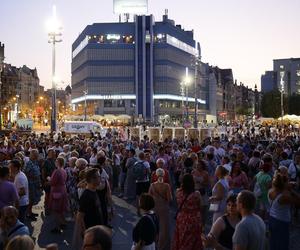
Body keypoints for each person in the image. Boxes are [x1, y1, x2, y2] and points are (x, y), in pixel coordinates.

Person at [268, 173, 300, 250]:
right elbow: (299, 201)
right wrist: (291, 190)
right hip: (281, 222)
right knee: (282, 244)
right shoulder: (284, 197)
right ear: (284, 184)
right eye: (288, 181)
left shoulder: (271, 191)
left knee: (273, 242)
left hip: (272, 218)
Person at [172, 174, 203, 250]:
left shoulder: (178, 192)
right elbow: (200, 206)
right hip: (194, 218)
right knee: (193, 239)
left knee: (182, 237)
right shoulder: (196, 194)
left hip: (182, 217)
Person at [149, 168, 172, 250]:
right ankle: (163, 246)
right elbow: (170, 199)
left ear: (156, 175)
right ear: (164, 175)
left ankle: (154, 243)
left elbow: (149, 196)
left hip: (155, 207)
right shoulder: (166, 186)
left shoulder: (152, 185)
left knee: (155, 226)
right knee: (164, 228)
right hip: (164, 207)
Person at [49, 157, 68, 233]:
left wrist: (48, 179)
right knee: (61, 209)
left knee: (56, 210)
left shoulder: (57, 171)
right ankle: (62, 222)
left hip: (57, 191)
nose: (55, 162)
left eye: (56, 161)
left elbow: (52, 182)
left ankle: (57, 227)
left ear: (58, 162)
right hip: (63, 189)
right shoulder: (64, 170)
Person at [24, 149, 42, 220]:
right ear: (32, 155)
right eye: (36, 154)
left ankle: (30, 212)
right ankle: (28, 213)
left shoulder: (35, 162)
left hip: (35, 183)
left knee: (33, 198)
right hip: (31, 183)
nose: (37, 156)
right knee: (31, 199)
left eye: (37, 154)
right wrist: (33, 177)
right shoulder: (29, 163)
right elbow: (26, 173)